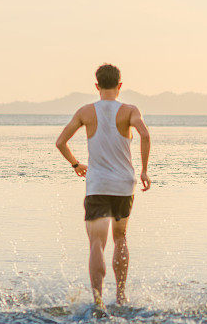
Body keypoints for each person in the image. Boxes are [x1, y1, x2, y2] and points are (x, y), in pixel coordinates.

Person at [55, 63, 151, 310]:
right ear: (119, 86)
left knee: (97, 243)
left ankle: (98, 300)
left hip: (97, 185)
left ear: (97, 86)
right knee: (120, 238)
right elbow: (145, 135)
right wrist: (144, 170)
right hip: (123, 185)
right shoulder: (130, 110)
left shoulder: (85, 112)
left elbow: (60, 142)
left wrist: (76, 164)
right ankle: (120, 296)